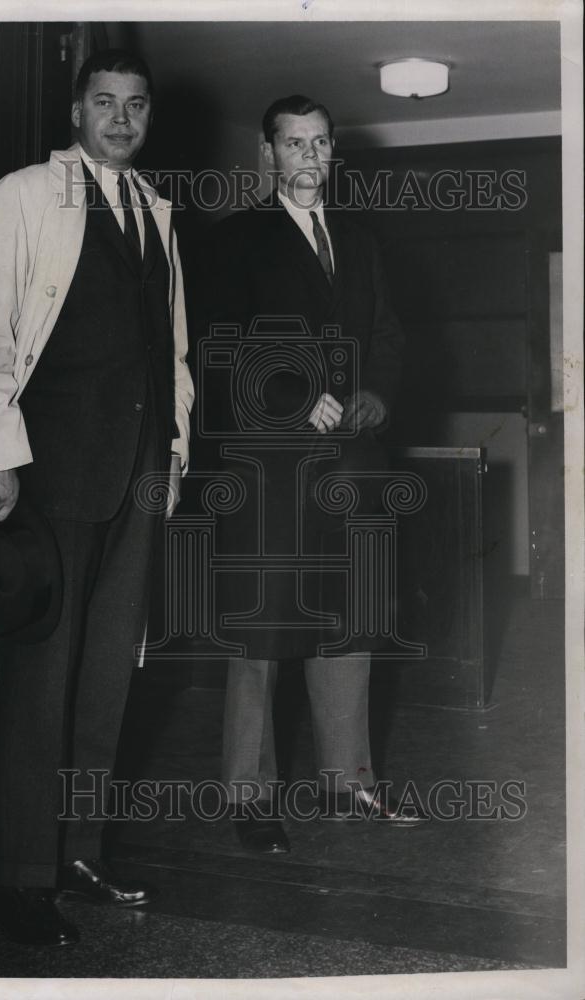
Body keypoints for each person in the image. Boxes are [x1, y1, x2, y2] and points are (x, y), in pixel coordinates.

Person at [0, 49, 194, 945]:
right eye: (105, 103)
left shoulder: (157, 210)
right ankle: (16, 879)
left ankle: (79, 852)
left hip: (137, 482)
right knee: (38, 683)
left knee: (106, 679)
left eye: (136, 105)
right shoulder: (25, 196)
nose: (121, 118)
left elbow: (174, 355)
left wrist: (175, 453)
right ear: (76, 113)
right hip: (48, 477)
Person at [192, 95, 423, 855]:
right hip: (270, 472)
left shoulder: (359, 239)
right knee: (263, 634)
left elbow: (388, 336)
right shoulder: (234, 242)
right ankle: (248, 798)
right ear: (267, 156)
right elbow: (217, 352)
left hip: (353, 465)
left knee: (348, 626)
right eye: (293, 145)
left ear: (334, 153)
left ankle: (346, 780)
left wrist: (374, 394)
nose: (308, 158)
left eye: (320, 144)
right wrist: (295, 400)